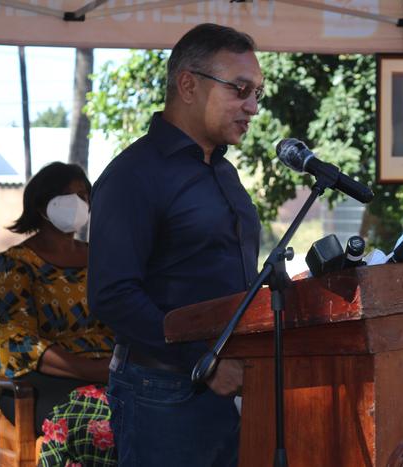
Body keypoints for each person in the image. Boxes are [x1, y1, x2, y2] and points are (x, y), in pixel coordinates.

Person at [88, 23, 262, 466]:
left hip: (232, 383)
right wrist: (203, 361)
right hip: (161, 389)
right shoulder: (135, 174)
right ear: (188, 84)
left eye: (258, 92)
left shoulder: (223, 172)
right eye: (240, 89)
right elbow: (113, 295)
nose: (253, 106)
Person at [0, 161, 116, 465]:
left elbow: (126, 315)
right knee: (101, 427)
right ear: (40, 204)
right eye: (66, 195)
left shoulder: (104, 257)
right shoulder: (16, 262)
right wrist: (87, 370)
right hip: (45, 380)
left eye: (83, 195)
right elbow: (14, 336)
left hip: (114, 371)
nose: (78, 203)